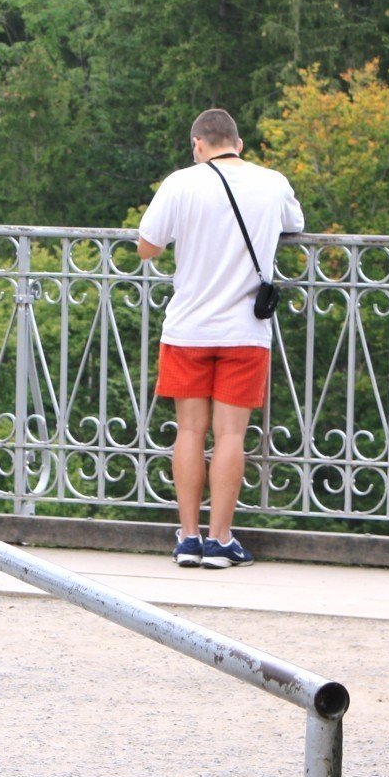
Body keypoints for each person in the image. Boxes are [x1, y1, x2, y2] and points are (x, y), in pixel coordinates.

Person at [137, 108, 303, 568]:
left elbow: (147, 247)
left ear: (198, 145)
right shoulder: (273, 182)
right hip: (245, 331)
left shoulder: (181, 182)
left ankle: (187, 539)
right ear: (239, 143)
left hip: (188, 327)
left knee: (189, 430)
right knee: (230, 434)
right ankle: (221, 540)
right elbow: (295, 225)